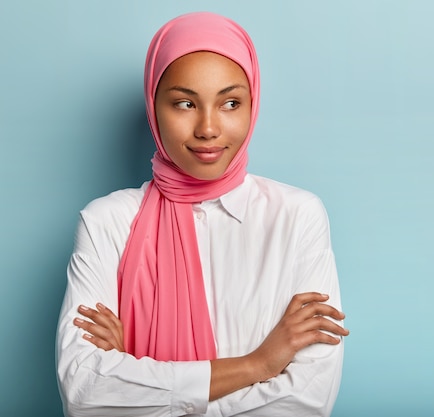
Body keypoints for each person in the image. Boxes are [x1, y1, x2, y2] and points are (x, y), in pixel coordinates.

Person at [56, 11, 348, 417]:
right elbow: (86, 394)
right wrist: (257, 365)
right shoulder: (106, 222)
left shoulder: (297, 217)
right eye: (185, 103)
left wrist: (140, 381)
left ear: (253, 104)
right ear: (153, 108)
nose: (208, 128)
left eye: (230, 103)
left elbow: (306, 401)